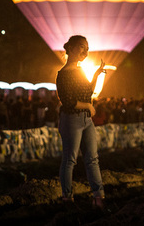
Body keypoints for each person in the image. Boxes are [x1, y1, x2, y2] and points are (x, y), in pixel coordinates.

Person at [56, 35, 106, 209]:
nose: (85, 51)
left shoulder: (80, 72)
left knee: (92, 159)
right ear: (70, 48)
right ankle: (67, 197)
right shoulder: (63, 75)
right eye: (81, 47)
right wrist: (88, 106)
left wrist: (96, 75)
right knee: (70, 160)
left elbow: (88, 92)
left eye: (86, 48)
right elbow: (68, 101)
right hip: (71, 120)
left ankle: (98, 197)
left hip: (86, 120)